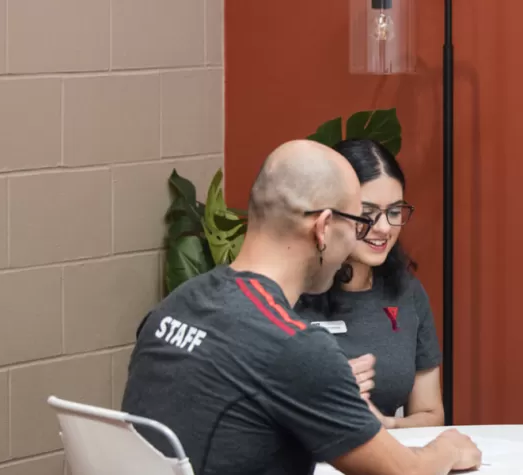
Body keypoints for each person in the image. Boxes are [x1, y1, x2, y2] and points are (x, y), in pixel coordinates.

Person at [121, 140, 480, 475]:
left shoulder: (175, 307)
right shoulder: (292, 345)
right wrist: (447, 449)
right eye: (358, 220)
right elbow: (407, 472)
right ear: (324, 228)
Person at [296, 139, 443, 429]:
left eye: (394, 211)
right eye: (367, 213)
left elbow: (430, 414)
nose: (384, 228)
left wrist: (386, 425)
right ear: (328, 214)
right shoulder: (290, 292)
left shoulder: (407, 292)